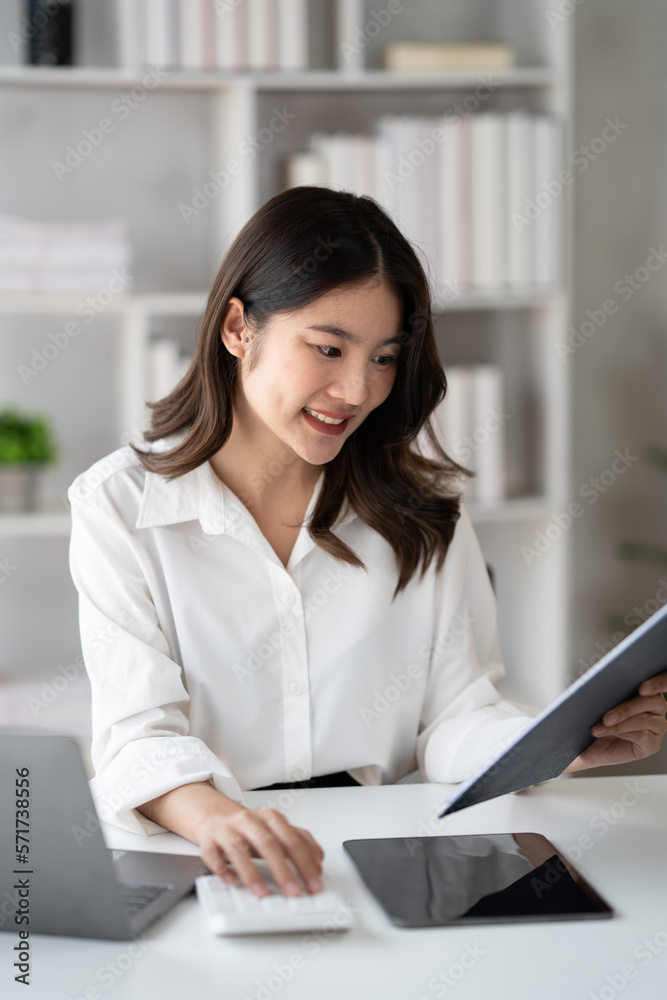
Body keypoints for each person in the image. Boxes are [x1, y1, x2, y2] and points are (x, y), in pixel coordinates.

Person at [67, 186, 667, 902]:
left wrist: (560, 749)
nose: (355, 389)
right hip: (206, 856)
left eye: (383, 358)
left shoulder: (423, 511)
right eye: (327, 348)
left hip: (386, 851)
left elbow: (455, 718)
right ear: (237, 328)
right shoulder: (118, 507)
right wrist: (221, 821)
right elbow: (137, 737)